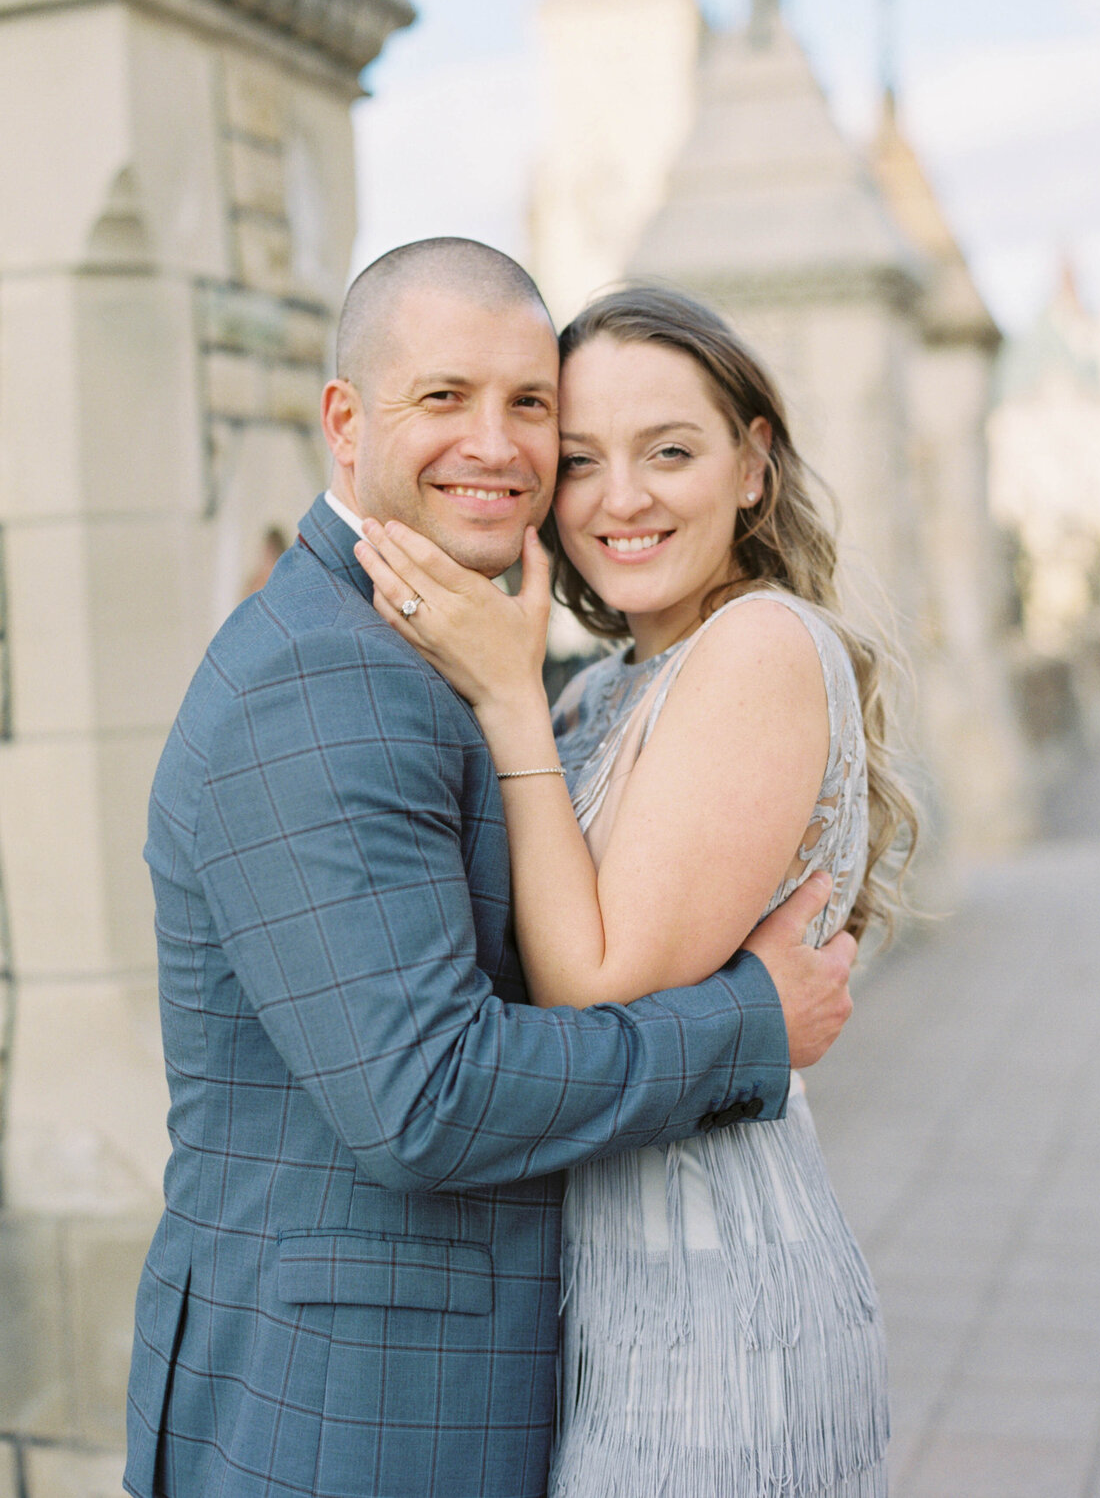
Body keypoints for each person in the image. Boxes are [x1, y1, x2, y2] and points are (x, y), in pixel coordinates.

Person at [124, 241, 859, 1498]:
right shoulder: (330, 674)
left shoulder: (446, 652)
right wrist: (750, 1025)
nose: (502, 446)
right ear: (346, 424)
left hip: (601, 1338)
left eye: (531, 406)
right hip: (351, 1405)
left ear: (755, 462)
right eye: (445, 397)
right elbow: (428, 1093)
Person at [357, 282, 917, 1497]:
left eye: (670, 450)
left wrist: (501, 691)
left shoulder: (759, 647)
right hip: (605, 1305)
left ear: (752, 465)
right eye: (580, 460)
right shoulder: (599, 691)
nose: (621, 497)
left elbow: (594, 981)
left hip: (718, 1315)